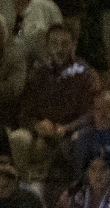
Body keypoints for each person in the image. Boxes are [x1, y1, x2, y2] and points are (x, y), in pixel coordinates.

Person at [11, 22, 97, 181]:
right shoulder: (39, 74)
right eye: (54, 43)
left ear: (73, 45)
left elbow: (92, 113)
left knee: (66, 143)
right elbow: (24, 112)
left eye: (64, 44)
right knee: (19, 138)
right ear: (47, 46)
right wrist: (37, 125)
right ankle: (24, 187)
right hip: (42, 131)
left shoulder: (85, 74)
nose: (59, 49)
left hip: (71, 132)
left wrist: (66, 128)